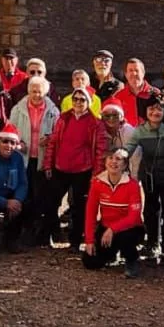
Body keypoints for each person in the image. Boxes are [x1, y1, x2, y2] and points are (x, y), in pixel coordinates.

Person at [46, 88, 111, 252]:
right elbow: (53, 142)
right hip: (60, 167)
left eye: (82, 100)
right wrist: (48, 164)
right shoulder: (64, 118)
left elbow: (100, 151)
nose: (78, 102)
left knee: (79, 207)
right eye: (75, 99)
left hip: (83, 170)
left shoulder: (95, 123)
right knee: (50, 202)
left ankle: (75, 241)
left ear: (88, 102)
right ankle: (52, 233)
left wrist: (96, 173)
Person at [127, 100, 164, 270]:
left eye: (159, 109)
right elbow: (129, 148)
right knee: (151, 211)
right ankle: (153, 244)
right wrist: (119, 155)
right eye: (151, 109)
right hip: (150, 178)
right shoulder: (140, 130)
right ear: (145, 111)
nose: (155, 112)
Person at [6, 76, 60, 244]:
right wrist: (17, 142)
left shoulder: (53, 110)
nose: (37, 95)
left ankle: (37, 233)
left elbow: (58, 132)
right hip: (23, 158)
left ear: (46, 92)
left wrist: (51, 138)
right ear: (28, 91)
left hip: (43, 159)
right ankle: (19, 231)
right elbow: (10, 130)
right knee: (23, 194)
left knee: (41, 196)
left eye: (40, 92)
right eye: (33, 91)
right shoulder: (18, 109)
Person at [83, 148, 147, 278]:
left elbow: (133, 217)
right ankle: (111, 254)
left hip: (129, 228)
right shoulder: (97, 183)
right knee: (90, 261)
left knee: (125, 238)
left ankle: (131, 260)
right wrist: (89, 241)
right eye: (110, 158)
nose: (113, 162)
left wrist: (113, 229)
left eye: (118, 159)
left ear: (124, 165)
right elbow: (90, 214)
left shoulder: (132, 185)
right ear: (105, 162)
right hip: (106, 227)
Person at [0, 129, 30, 251]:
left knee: (26, 205)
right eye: (5, 141)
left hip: (11, 196)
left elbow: (23, 183)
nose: (9, 146)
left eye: (13, 143)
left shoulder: (18, 158)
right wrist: (4, 202)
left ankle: (12, 240)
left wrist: (17, 199)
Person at [106, 59, 163, 127]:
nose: (134, 73)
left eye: (137, 70)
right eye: (130, 70)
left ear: (143, 73)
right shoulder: (118, 97)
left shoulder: (155, 93)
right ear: (126, 74)